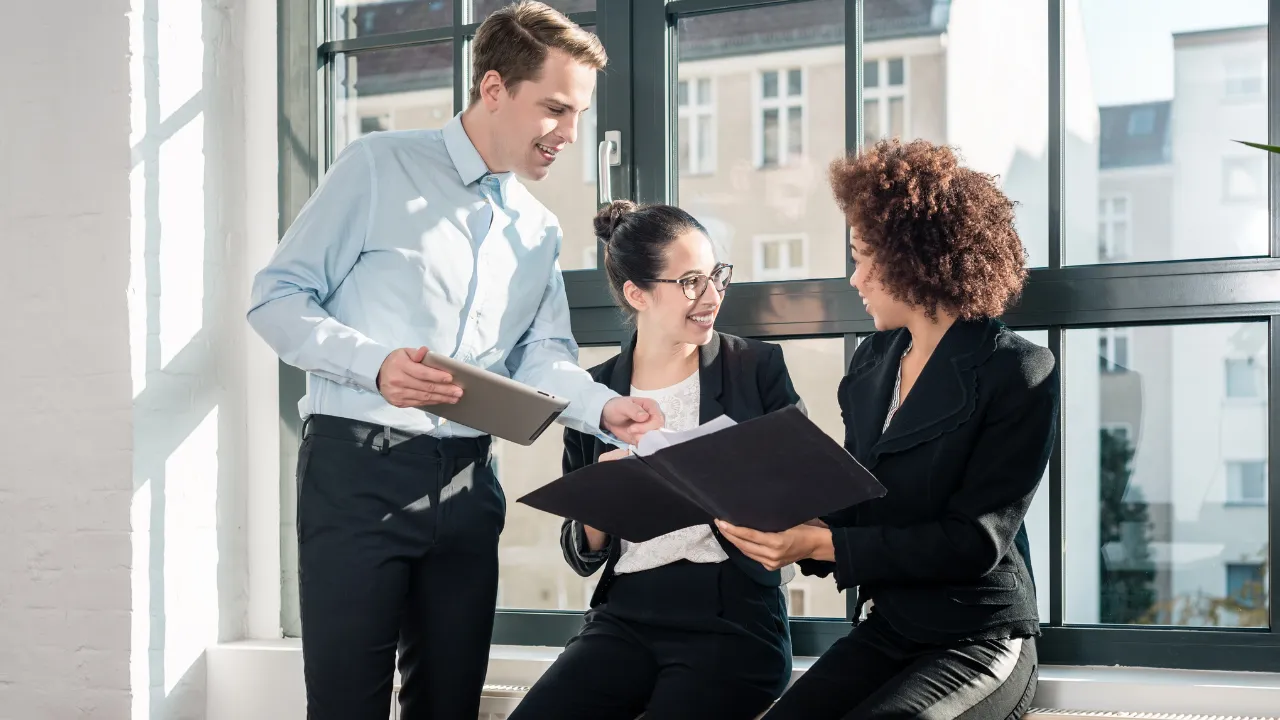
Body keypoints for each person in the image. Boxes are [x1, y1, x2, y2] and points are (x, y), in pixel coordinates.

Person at [246, 4, 665, 718]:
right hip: (357, 475)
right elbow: (276, 299)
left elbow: (544, 357)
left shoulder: (537, 229)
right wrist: (375, 364)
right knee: (348, 705)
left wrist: (604, 408)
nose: (569, 134)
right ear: (494, 88)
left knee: (450, 705)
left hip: (470, 486)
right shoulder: (377, 167)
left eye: (579, 114)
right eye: (555, 109)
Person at [717, 138, 1058, 719]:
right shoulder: (873, 364)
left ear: (914, 258)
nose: (855, 279)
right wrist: (785, 523)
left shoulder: (1020, 370)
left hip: (978, 635)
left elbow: (973, 541)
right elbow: (860, 505)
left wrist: (820, 541)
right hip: (892, 627)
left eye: (863, 256)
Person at [507, 200, 803, 720]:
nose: (711, 296)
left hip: (732, 616)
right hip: (625, 616)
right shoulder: (594, 393)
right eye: (690, 282)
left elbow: (805, 492)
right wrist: (604, 497)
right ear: (636, 293)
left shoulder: (757, 368)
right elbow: (580, 554)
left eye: (715, 276)